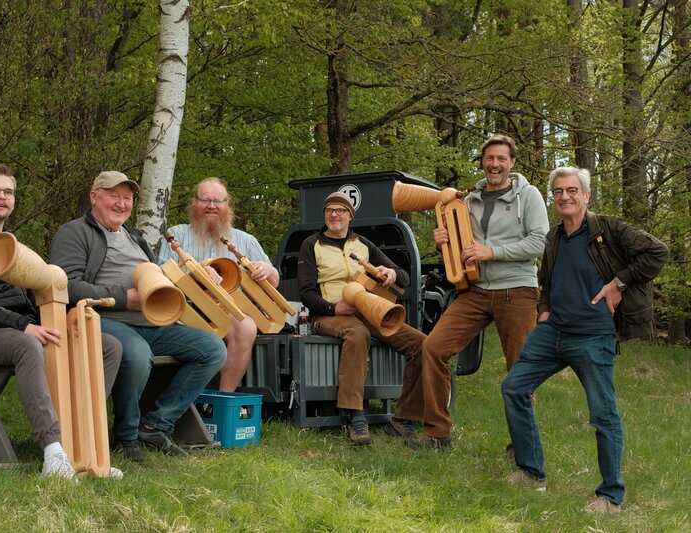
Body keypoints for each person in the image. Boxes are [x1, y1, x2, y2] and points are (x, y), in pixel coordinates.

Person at [0, 163, 123, 480]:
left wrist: (66, 321)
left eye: (8, 192)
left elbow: (37, 295)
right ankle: (53, 452)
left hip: (18, 326)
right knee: (27, 344)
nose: (1, 197)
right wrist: (23, 325)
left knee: (107, 346)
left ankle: (86, 444)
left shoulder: (12, 245)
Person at [502, 167, 668, 513]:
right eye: (558, 192)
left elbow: (657, 252)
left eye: (572, 191)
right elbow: (545, 282)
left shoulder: (609, 229)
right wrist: (544, 310)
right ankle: (532, 472)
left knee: (603, 415)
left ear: (586, 196)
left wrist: (618, 283)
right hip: (552, 333)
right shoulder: (552, 237)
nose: (564, 197)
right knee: (514, 387)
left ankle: (611, 496)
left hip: (593, 337)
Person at [50, 171, 227, 463]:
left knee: (212, 349)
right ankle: (126, 435)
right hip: (102, 320)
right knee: (136, 352)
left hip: (152, 322)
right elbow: (66, 285)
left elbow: (160, 278)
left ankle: (155, 424)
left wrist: (199, 279)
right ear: (94, 197)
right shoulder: (74, 232)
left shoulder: (136, 237)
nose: (121, 204)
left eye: (127, 198)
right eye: (114, 196)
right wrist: (124, 298)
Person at [422, 134, 549, 449]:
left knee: (520, 370)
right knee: (433, 348)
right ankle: (438, 433)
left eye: (501, 159)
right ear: (483, 161)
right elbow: (463, 249)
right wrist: (443, 240)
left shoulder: (529, 195)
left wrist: (492, 251)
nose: (495, 164)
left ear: (512, 162)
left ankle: (521, 446)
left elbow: (541, 242)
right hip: (475, 292)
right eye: (490, 158)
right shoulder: (469, 200)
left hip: (517, 291)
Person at [297, 192, 426, 447]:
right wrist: (334, 308)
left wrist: (391, 272)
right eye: (329, 210)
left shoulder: (364, 244)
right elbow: (306, 293)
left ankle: (404, 417)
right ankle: (354, 415)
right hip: (327, 316)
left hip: (370, 312)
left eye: (340, 210)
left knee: (423, 345)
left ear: (350, 216)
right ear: (324, 215)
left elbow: (404, 278)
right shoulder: (311, 244)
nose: (334, 214)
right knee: (357, 334)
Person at [156, 177, 279, 392]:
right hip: (186, 310)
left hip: (229, 309)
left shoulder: (246, 241)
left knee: (247, 327)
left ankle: (223, 399)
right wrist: (195, 277)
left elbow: (275, 282)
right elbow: (159, 278)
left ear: (227, 206)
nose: (212, 206)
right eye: (205, 200)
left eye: (218, 201)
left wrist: (266, 270)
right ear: (194, 203)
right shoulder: (177, 235)